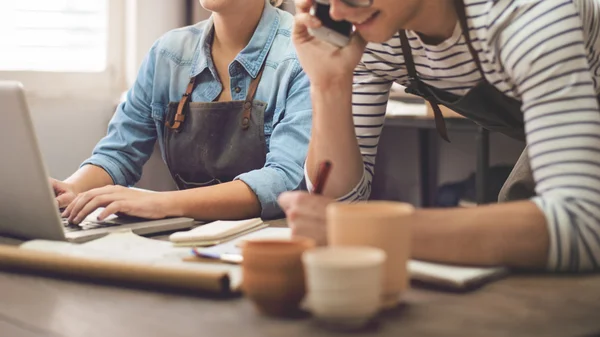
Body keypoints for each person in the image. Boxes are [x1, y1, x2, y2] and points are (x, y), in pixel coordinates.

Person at [278, 0, 600, 272]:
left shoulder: (525, 12)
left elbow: (581, 225)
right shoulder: (370, 33)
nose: (336, 12)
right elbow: (340, 205)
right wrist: (329, 85)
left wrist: (364, 231)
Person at [54, 0, 312, 224]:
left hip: (270, 248)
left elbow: (284, 181)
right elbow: (118, 153)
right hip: (187, 241)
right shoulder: (167, 53)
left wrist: (161, 203)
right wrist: (71, 188)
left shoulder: (303, 53)